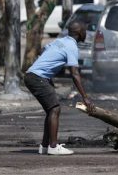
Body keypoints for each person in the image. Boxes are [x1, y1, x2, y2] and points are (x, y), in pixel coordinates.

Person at [24, 21, 92, 155]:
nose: (86, 33)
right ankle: (53, 147)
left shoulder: (59, 41)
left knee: (51, 110)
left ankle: (44, 146)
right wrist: (85, 97)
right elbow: (75, 74)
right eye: (84, 30)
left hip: (31, 75)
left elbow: (45, 52)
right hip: (38, 77)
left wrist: (49, 76)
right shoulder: (71, 46)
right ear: (79, 33)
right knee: (55, 109)